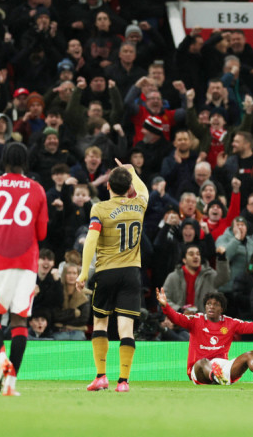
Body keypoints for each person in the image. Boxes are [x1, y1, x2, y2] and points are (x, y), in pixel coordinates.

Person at [0, 142, 49, 397]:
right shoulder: (38, 190)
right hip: (26, 263)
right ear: (25, 161)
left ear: (3, 160)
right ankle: (10, 384)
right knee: (20, 321)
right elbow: (42, 233)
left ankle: (1, 360)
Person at [76, 159, 149, 393]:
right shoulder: (140, 204)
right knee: (126, 329)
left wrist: (82, 273)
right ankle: (124, 381)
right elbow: (143, 189)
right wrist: (131, 170)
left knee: (100, 323)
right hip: (131, 273)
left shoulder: (99, 209)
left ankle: (100, 377)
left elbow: (91, 240)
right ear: (129, 188)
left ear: (107, 186)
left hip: (106, 272)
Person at [156, 288, 253, 385]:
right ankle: (216, 376)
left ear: (222, 308)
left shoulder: (231, 323)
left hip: (223, 368)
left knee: (250, 354)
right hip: (199, 371)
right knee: (202, 362)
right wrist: (165, 306)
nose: (211, 307)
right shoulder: (196, 320)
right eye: (208, 304)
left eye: (215, 304)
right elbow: (176, 318)